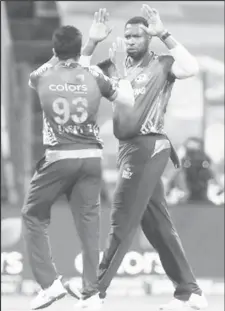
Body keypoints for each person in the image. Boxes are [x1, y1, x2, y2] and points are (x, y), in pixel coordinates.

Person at [72, 5, 208, 311]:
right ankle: (190, 292)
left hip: (150, 147)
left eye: (138, 35)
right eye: (127, 36)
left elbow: (192, 68)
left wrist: (165, 34)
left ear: (148, 39)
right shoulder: (112, 68)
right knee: (157, 225)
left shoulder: (162, 64)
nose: (132, 40)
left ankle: (95, 291)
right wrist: (91, 44)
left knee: (122, 217)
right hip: (128, 151)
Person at [22, 9, 135, 310]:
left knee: (33, 216)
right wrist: (114, 66)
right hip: (91, 160)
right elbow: (127, 101)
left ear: (54, 50)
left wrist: (85, 47)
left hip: (58, 158)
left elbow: (47, 74)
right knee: (88, 227)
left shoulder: (41, 76)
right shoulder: (94, 75)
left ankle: (49, 285)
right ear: (79, 47)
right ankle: (92, 294)